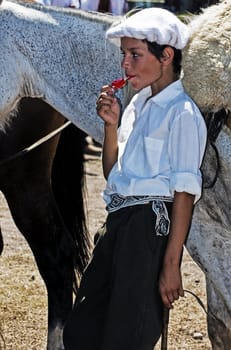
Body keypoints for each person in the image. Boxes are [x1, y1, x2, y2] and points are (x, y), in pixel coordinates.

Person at [63, 7, 207, 350]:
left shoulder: (183, 114)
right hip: (116, 222)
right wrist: (110, 126)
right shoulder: (137, 104)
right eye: (123, 55)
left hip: (147, 225)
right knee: (82, 329)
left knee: (127, 334)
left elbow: (184, 194)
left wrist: (171, 265)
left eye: (135, 55)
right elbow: (115, 174)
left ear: (166, 55)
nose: (125, 65)